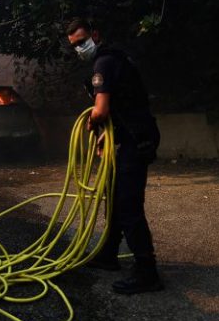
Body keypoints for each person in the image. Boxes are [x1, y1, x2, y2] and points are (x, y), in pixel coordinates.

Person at [66, 17, 163, 294]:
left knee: (128, 205)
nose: (80, 48)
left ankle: (147, 272)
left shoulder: (104, 63)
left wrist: (93, 123)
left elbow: (101, 110)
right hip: (131, 136)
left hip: (136, 141)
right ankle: (108, 255)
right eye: (75, 45)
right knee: (113, 194)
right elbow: (122, 108)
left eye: (83, 41)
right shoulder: (115, 59)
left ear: (95, 35)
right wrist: (106, 135)